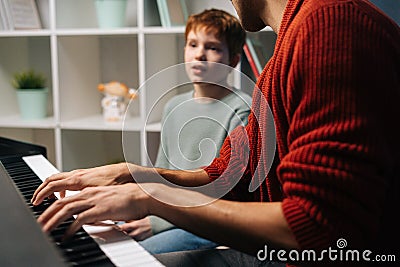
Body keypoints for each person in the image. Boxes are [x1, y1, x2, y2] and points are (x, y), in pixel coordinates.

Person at [32, 0, 400, 266]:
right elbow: (227, 176)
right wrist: (132, 175)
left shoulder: (330, 25)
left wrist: (155, 200)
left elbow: (318, 230)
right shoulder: (285, 51)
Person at [119, 8, 251, 254]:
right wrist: (143, 208)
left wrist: (156, 222)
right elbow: (161, 174)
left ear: (233, 60)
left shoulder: (242, 111)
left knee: (139, 254)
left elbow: (223, 194)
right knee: (106, 229)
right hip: (169, 212)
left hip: (209, 222)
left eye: (212, 48)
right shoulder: (173, 105)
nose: (199, 54)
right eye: (193, 44)